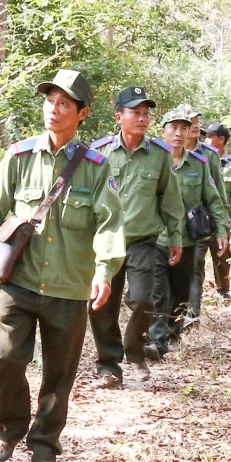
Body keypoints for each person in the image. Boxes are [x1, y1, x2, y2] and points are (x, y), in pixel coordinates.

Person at [0, 69, 123, 462]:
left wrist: (105, 270)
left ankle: (45, 447)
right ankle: (8, 430)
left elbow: (109, 224)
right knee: (6, 360)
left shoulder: (95, 167)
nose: (54, 109)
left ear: (82, 113)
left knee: (58, 375)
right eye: (50, 100)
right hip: (19, 284)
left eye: (64, 103)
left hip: (69, 288)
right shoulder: (19, 157)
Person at [87, 87, 186, 386]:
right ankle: (108, 366)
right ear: (119, 116)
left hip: (142, 240)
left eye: (146, 114)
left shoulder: (158, 155)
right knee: (102, 303)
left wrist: (176, 236)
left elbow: (170, 199)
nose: (142, 119)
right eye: (135, 113)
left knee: (144, 299)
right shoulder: (99, 151)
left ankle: (134, 352)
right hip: (105, 240)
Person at [150, 105, 227, 354]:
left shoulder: (198, 163)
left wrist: (221, 231)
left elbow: (213, 198)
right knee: (157, 290)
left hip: (186, 238)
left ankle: (172, 334)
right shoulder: (150, 160)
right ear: (162, 131)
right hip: (155, 238)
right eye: (173, 128)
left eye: (184, 128)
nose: (179, 133)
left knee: (181, 290)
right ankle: (156, 339)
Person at [200, 121, 231, 299]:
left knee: (222, 256)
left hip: (222, 218)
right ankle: (194, 294)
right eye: (206, 136)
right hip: (200, 216)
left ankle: (223, 291)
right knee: (196, 258)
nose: (206, 139)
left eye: (210, 137)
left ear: (221, 140)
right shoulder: (200, 158)